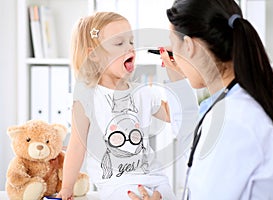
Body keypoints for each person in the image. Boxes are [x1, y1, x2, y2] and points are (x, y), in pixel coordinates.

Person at [128, 0, 273, 199]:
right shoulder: (234, 104)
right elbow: (194, 142)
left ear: (189, 45)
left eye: (173, 43)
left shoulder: (234, 122)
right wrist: (177, 77)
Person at [56, 11, 196, 200]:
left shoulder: (143, 92)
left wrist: (175, 75)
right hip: (117, 184)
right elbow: (76, 147)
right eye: (119, 43)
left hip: (155, 177)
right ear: (94, 55)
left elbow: (173, 116)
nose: (129, 48)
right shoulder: (87, 98)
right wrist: (67, 188)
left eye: (131, 42)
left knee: (167, 196)